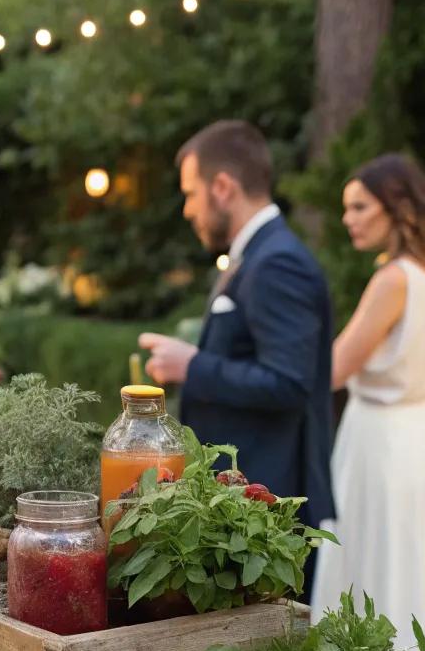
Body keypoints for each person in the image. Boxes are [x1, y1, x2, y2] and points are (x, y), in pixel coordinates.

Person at [310, 154, 425, 648]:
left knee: (373, 552)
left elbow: (334, 369)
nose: (349, 218)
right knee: (415, 554)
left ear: (397, 208)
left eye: (360, 206)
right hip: (422, 429)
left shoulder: (393, 279)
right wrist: (416, 382)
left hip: (379, 435)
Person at [139, 119, 335, 544]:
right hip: (245, 502)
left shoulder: (278, 262)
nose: (187, 209)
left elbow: (290, 383)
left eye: (190, 194)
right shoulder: (254, 256)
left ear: (223, 186)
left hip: (271, 505)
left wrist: (194, 366)